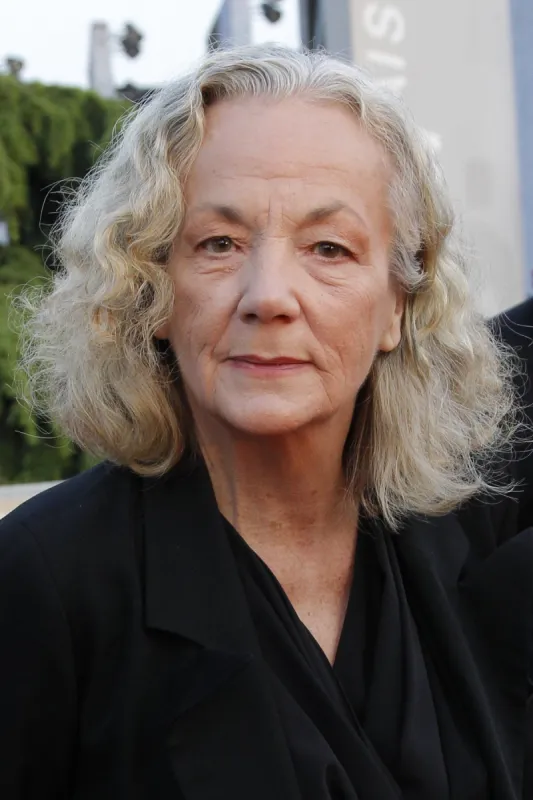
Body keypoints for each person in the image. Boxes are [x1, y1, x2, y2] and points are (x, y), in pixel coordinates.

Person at [0, 44, 531, 800]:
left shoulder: (456, 538)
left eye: (328, 248)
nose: (268, 294)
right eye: (218, 244)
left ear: (396, 306)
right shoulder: (46, 583)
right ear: (153, 290)